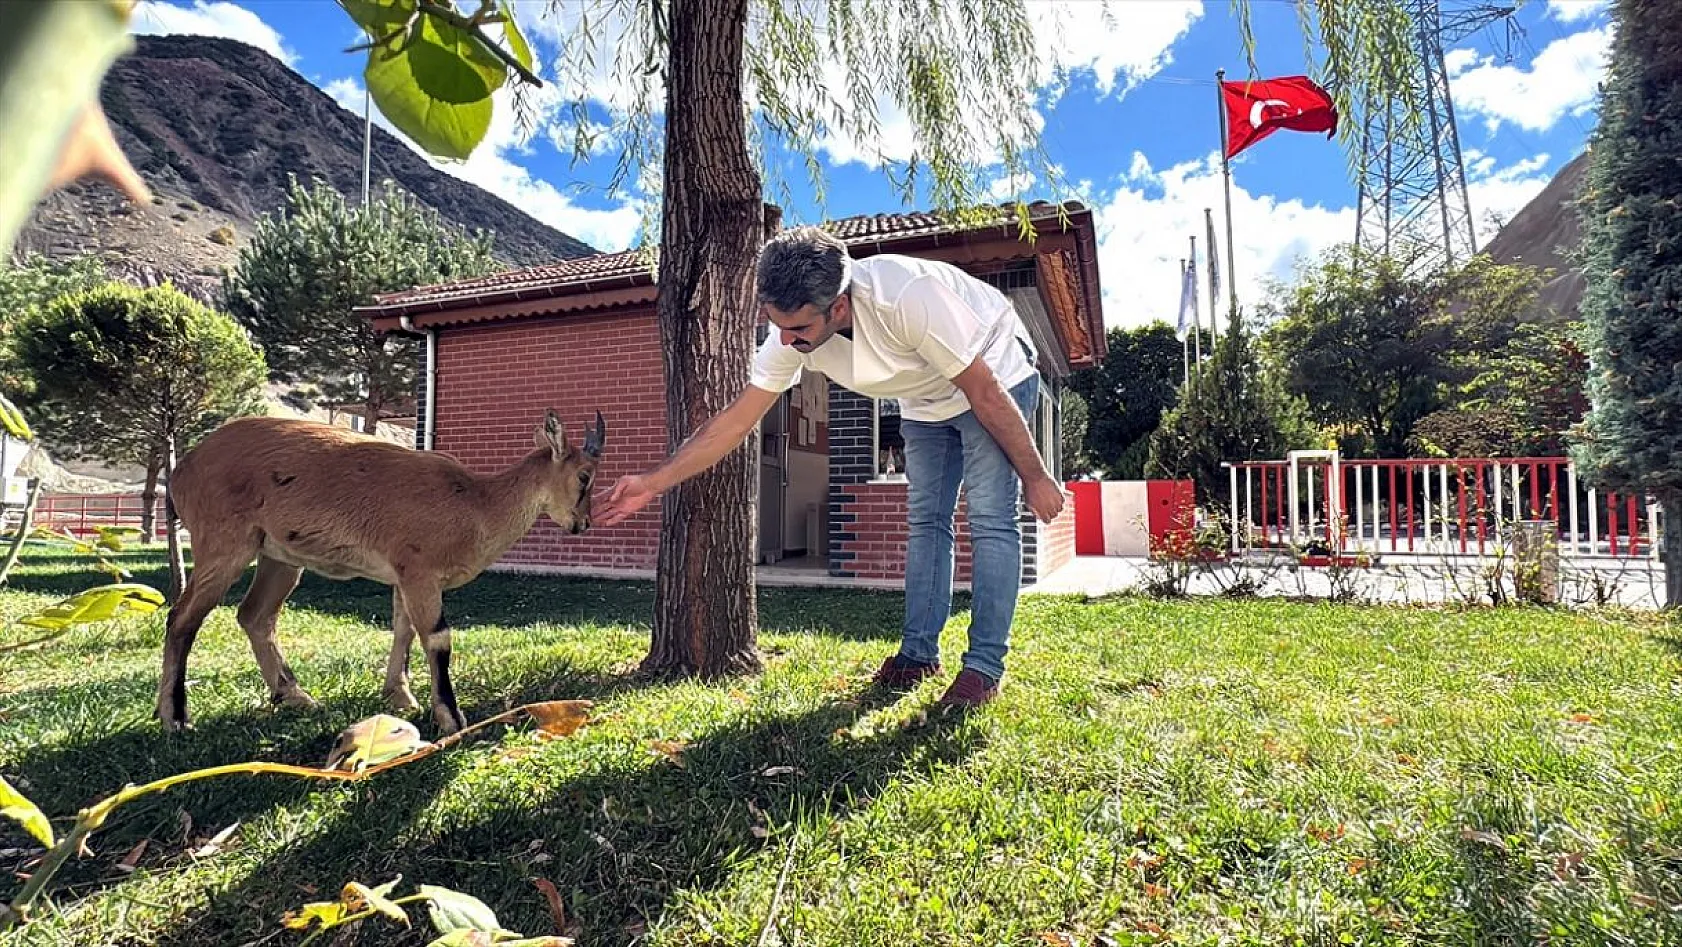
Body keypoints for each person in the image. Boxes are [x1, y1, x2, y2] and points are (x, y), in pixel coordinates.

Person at [595, 226, 1064, 707]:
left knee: (990, 519)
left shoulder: (907, 296)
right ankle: (918, 654)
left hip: (995, 373)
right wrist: (654, 482)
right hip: (925, 399)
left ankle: (983, 669)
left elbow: (984, 392)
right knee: (926, 522)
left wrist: (1035, 476)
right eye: (776, 325)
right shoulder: (791, 337)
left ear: (838, 308)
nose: (785, 339)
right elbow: (734, 424)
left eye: (798, 329)